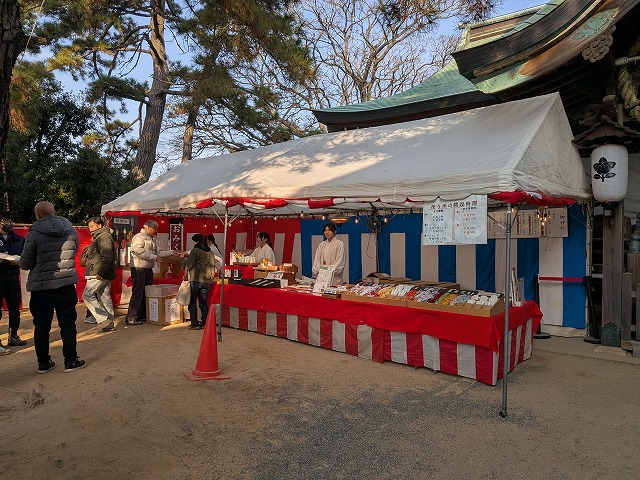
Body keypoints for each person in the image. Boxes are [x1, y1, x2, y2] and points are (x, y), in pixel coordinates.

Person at [18, 201, 85, 373]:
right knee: (68, 324)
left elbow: (25, 263)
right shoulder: (70, 229)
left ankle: (43, 363)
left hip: (42, 288)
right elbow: (74, 251)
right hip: (66, 284)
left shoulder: (33, 233)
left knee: (41, 327)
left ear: (38, 215)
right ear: (54, 212)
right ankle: (71, 361)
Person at [126, 220, 174, 325]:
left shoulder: (153, 239)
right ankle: (131, 317)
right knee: (138, 292)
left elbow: (159, 252)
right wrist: (154, 257)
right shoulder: (139, 237)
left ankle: (141, 315)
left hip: (148, 268)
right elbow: (138, 250)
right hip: (138, 268)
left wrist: (171, 252)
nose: (156, 231)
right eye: (154, 228)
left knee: (147, 292)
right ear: (147, 227)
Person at [81, 217, 116, 332]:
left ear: (99, 225)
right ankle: (109, 323)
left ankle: (103, 319)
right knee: (104, 297)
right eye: (89, 226)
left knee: (87, 295)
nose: (90, 229)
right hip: (103, 272)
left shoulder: (103, 236)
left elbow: (108, 256)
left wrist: (101, 272)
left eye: (92, 226)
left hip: (98, 273)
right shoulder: (102, 236)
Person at [182, 234, 220, 330]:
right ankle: (205, 323)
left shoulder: (195, 251)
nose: (193, 243)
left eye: (194, 241)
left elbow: (189, 265)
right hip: (207, 281)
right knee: (203, 303)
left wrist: (185, 268)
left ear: (197, 242)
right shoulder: (210, 252)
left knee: (192, 302)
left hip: (196, 280)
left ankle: (194, 323)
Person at [0, 212, 26, 347]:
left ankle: (13, 335)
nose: (9, 224)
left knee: (14, 309)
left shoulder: (19, 239)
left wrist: (18, 262)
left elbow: (26, 258)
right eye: (5, 221)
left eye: (11, 222)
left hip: (13, 278)